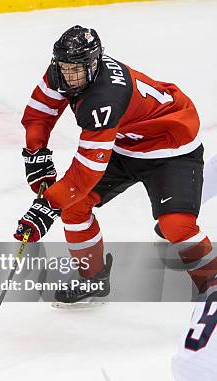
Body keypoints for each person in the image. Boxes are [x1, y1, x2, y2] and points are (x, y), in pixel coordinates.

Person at [14, 25, 215, 302]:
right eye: (64, 68)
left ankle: (213, 287)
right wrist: (36, 155)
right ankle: (92, 278)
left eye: (76, 70)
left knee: (176, 225)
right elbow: (39, 112)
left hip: (171, 147)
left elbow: (87, 170)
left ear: (94, 64)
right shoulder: (63, 71)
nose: (69, 77)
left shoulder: (104, 98)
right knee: (74, 209)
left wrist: (48, 204)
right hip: (124, 142)